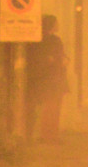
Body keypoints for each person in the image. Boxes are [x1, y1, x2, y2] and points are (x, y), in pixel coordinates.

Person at [25, 15, 70, 143]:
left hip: (52, 78)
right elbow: (50, 58)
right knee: (51, 108)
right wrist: (59, 60)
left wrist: (62, 60)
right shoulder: (47, 40)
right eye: (56, 23)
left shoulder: (51, 39)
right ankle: (49, 136)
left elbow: (58, 57)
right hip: (50, 78)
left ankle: (50, 135)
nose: (58, 25)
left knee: (52, 108)